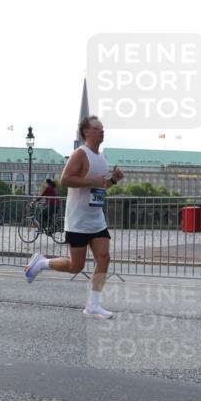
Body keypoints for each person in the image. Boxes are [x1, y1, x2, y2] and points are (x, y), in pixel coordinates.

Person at [23, 116, 123, 318]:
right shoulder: (80, 154)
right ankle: (41, 263)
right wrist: (91, 181)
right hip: (78, 220)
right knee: (75, 266)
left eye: (103, 128)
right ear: (86, 131)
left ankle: (93, 305)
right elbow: (65, 179)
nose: (102, 131)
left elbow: (99, 186)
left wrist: (112, 180)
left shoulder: (102, 157)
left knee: (104, 258)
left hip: (96, 218)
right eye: (97, 128)